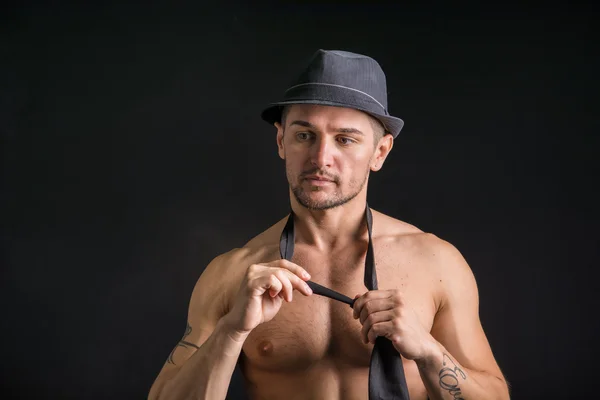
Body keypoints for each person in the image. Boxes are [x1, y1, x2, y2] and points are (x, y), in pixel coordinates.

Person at [148, 49, 510, 400]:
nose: (321, 158)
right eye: (304, 135)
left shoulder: (436, 263)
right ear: (281, 140)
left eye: (345, 139)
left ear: (379, 152)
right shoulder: (235, 274)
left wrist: (429, 351)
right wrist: (232, 330)